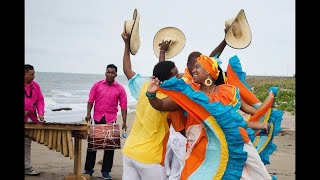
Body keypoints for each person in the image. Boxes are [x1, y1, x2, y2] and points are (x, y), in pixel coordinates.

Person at [147, 55, 275, 179]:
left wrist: (267, 104)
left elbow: (247, 114)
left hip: (233, 141)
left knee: (257, 174)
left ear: (208, 72)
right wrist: (151, 95)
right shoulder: (190, 94)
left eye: (197, 67)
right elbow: (161, 105)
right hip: (201, 146)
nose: (193, 70)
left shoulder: (227, 92)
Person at [121, 30, 182, 180]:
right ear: (168, 80)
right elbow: (159, 104)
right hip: (150, 157)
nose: (179, 76)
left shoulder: (144, 86)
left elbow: (127, 69)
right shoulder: (171, 98)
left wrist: (126, 44)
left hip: (129, 152)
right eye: (176, 74)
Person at [83, 64, 128, 180]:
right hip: (97, 118)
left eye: (112, 73)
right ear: (105, 73)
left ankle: (106, 172)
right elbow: (90, 100)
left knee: (109, 148)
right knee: (92, 146)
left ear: (116, 75)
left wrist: (124, 122)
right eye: (108, 72)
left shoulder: (120, 89)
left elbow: (123, 106)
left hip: (111, 120)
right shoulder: (97, 85)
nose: (110, 74)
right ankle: (88, 170)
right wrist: (88, 113)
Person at [24, 64, 45, 176]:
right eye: (31, 74)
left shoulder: (36, 86)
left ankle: (27, 168)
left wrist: (41, 113)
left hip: (31, 120)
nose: (34, 76)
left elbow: (40, 101)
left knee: (27, 144)